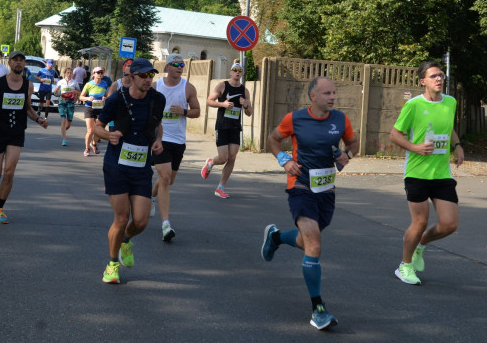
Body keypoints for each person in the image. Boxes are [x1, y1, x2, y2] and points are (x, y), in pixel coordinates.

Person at [261, 76, 357, 331]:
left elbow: (353, 143)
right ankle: (318, 308)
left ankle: (276, 237)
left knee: (306, 242)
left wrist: (346, 155)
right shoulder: (294, 119)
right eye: (327, 93)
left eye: (334, 92)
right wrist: (284, 159)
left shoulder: (341, 120)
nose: (332, 97)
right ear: (313, 97)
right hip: (300, 185)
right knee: (313, 242)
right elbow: (273, 139)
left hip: (326, 190)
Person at [389, 60, 464, 286]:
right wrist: (415, 147)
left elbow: (448, 125)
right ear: (423, 81)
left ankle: (420, 245)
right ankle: (404, 266)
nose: (439, 79)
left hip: (441, 173)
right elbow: (394, 134)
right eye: (434, 76)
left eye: (441, 75)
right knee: (419, 222)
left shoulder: (450, 102)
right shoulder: (413, 105)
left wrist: (457, 146)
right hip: (417, 173)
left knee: (449, 224)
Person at [91, 57, 165, 284]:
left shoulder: (158, 99)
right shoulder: (116, 99)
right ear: (131, 76)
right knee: (122, 217)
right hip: (116, 165)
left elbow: (157, 124)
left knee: (141, 221)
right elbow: (97, 127)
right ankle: (112, 264)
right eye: (143, 75)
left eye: (150, 75)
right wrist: (108, 135)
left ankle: (124, 240)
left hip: (141, 166)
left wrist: (158, 140)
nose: (147, 79)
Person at [0, 50, 48, 224]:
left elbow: (27, 108)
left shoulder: (28, 85)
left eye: (21, 60)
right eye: (15, 60)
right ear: (9, 63)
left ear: (24, 64)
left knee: (9, 173)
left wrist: (38, 119)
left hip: (16, 132)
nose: (18, 63)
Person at [150, 54, 200, 241]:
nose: (180, 67)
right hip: (159, 138)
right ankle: (166, 225)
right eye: (176, 64)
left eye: (182, 64)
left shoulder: (188, 87)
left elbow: (197, 112)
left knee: (169, 179)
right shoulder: (156, 86)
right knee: (164, 177)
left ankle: (151, 195)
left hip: (178, 140)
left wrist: (184, 111)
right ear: (167, 67)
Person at [201, 62, 252, 198]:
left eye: (239, 70)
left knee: (232, 157)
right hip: (222, 125)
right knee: (223, 158)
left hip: (235, 127)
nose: (237, 72)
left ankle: (220, 187)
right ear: (230, 72)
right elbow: (209, 101)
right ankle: (211, 162)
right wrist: (222, 104)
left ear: (241, 74)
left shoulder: (244, 91)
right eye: (234, 70)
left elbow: (249, 113)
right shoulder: (222, 86)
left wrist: (246, 105)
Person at [80, 66, 110, 156]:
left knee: (99, 130)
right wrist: (88, 98)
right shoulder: (89, 84)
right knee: (90, 130)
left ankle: (93, 143)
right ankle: (87, 148)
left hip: (100, 109)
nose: (100, 74)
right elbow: (81, 97)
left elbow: (108, 95)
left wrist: (105, 98)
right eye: (98, 73)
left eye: (101, 73)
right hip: (89, 108)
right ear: (94, 74)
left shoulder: (105, 84)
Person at [53, 72, 79, 146]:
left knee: (69, 123)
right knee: (63, 120)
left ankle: (63, 130)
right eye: (67, 73)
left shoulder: (75, 82)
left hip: (70, 103)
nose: (69, 74)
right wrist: (56, 91)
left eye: (70, 73)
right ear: (64, 74)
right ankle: (64, 139)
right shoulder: (60, 82)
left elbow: (80, 92)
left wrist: (76, 92)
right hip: (62, 101)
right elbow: (56, 91)